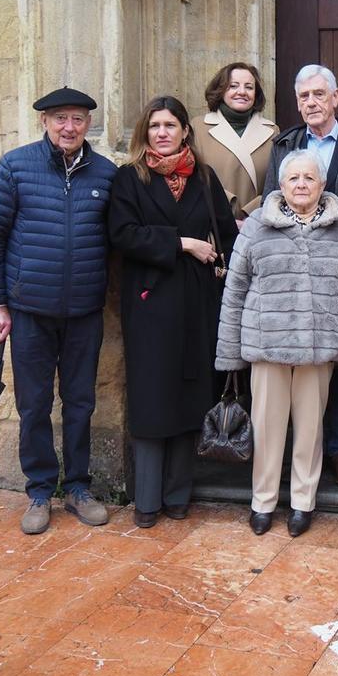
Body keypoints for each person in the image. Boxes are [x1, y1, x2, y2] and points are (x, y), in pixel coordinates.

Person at [0, 86, 117, 535]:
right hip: (29, 311)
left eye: (77, 119)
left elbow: (121, 239)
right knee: (34, 405)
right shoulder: (16, 167)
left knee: (80, 403)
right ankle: (39, 490)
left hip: (84, 312)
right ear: (45, 123)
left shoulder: (107, 174)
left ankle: (77, 487)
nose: (68, 128)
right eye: (60, 119)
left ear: (88, 124)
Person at [216, 150, 338, 537]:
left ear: (322, 184)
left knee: (310, 428)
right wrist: (229, 351)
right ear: (281, 186)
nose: (301, 185)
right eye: (293, 179)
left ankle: (303, 501)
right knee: (267, 428)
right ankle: (263, 501)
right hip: (268, 343)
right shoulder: (256, 226)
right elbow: (235, 288)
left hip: (321, 345)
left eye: (309, 178)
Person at [108, 97, 239, 528]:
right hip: (150, 302)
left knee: (190, 394)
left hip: (198, 301)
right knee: (152, 397)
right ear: (144, 132)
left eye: (170, 125)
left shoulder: (204, 176)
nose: (162, 133)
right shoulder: (130, 178)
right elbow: (123, 234)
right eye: (154, 125)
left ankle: (179, 495)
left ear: (186, 130)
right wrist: (182, 243)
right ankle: (147, 501)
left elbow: (227, 232)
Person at [261, 64, 338, 489]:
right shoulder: (284, 145)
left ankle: (337, 451)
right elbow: (269, 204)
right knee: (291, 366)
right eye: (304, 97)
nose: (311, 103)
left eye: (319, 94)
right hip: (292, 271)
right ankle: (289, 457)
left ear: (335, 98)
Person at [192, 62, 279, 219]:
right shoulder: (198, 127)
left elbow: (277, 183)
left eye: (249, 87)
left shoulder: (273, 131)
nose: (242, 92)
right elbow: (193, 177)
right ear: (221, 90)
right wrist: (226, 209)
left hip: (257, 223)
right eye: (233, 86)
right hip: (213, 222)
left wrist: (251, 215)